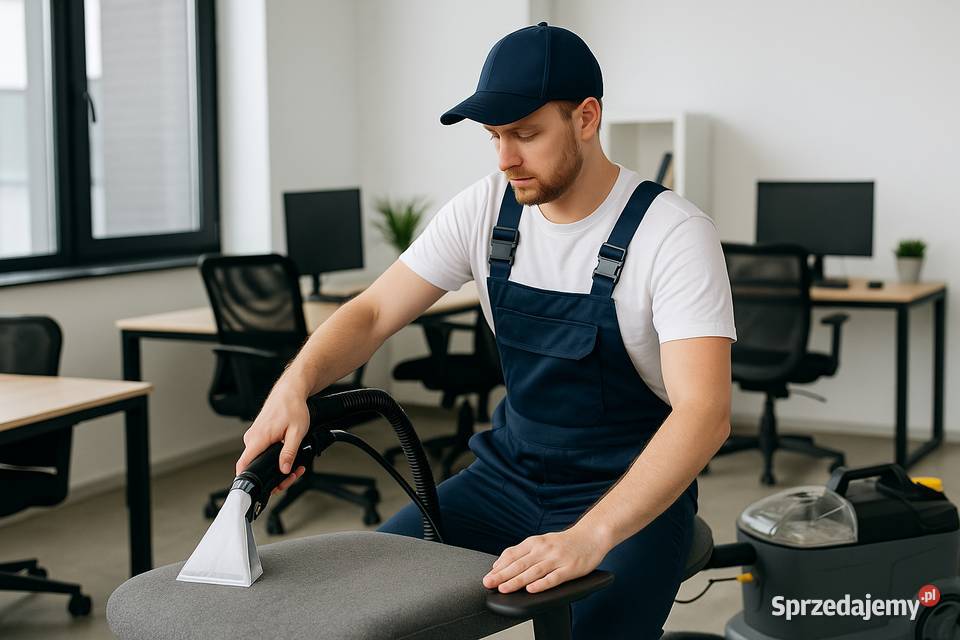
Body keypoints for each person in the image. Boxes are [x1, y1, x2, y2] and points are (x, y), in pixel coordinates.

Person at [237, 22, 736, 639]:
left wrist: (590, 535)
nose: (506, 159)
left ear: (586, 118)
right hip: (507, 477)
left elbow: (704, 413)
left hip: (628, 489)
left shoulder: (673, 234)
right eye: (494, 137)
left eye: (526, 134)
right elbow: (371, 313)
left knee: (598, 628)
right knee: (368, 607)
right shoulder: (485, 209)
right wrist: (295, 385)